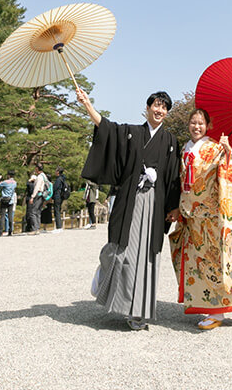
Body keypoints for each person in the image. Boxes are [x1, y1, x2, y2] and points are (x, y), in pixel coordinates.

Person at [77, 87, 181, 330]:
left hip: (154, 204)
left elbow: (174, 177)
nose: (160, 110)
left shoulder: (170, 142)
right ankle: (106, 276)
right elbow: (107, 129)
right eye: (156, 105)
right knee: (123, 251)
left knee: (147, 256)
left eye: (164, 107)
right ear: (147, 108)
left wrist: (173, 207)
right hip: (131, 200)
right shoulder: (132, 133)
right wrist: (87, 104)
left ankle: (138, 312)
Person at [169, 108, 232, 330]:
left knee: (225, 260)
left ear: (208, 126)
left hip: (213, 218)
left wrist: (227, 152)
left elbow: (230, 171)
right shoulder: (184, 148)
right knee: (201, 265)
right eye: (193, 122)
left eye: (201, 123)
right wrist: (177, 207)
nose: (196, 127)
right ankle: (216, 309)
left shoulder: (215, 147)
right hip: (191, 218)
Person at [27, 165, 48, 235]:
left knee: (33, 212)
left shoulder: (39, 177)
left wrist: (32, 197)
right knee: (38, 212)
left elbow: (37, 187)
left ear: (37, 169)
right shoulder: (44, 176)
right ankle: (38, 227)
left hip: (38, 194)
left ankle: (34, 228)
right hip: (42, 195)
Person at [0, 171, 17, 236]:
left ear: (8, 175)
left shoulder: (5, 182)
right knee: (10, 216)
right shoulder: (15, 183)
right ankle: (10, 230)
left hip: (4, 199)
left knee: (2, 216)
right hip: (11, 200)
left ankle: (0, 231)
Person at [51, 168, 68, 233]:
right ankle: (59, 226)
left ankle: (58, 227)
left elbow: (55, 188)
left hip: (57, 196)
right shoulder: (62, 179)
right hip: (61, 196)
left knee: (57, 211)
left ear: (58, 172)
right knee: (58, 210)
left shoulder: (58, 179)